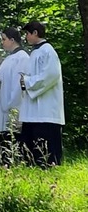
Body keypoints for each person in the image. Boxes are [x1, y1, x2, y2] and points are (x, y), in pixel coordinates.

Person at [19, 21, 65, 166]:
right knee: (32, 146)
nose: (26, 37)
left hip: (46, 109)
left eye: (27, 33)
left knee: (47, 149)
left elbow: (51, 75)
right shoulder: (34, 53)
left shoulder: (48, 51)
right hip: (33, 110)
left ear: (35, 33)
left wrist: (27, 82)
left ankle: (50, 166)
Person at [0, 27, 30, 163]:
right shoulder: (9, 59)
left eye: (4, 39)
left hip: (16, 107)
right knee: (5, 142)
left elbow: (19, 85)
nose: (2, 42)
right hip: (4, 106)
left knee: (16, 141)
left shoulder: (23, 58)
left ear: (12, 40)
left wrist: (12, 105)